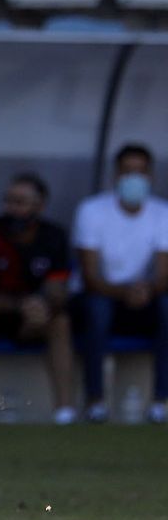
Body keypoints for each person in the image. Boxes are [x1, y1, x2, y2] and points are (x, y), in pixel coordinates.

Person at [0, 172, 75, 424]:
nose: (12, 208)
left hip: (37, 313)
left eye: (20, 202)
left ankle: (65, 411)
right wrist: (20, 306)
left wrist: (42, 306)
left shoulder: (54, 236)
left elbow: (57, 288)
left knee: (61, 322)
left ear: (40, 206)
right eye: (9, 201)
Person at [73, 144, 168, 425]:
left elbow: (164, 274)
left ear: (150, 175)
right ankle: (95, 402)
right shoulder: (92, 210)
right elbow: (90, 276)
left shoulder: (162, 213)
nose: (134, 178)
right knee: (97, 311)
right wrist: (124, 292)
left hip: (144, 297)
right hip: (102, 294)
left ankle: (160, 402)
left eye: (140, 171)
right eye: (128, 171)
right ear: (116, 175)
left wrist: (147, 290)